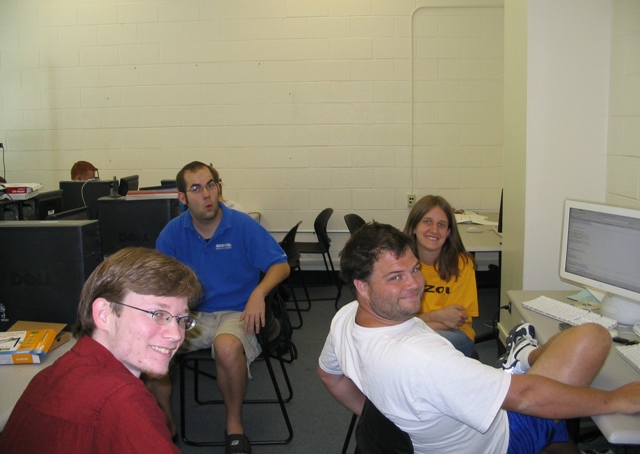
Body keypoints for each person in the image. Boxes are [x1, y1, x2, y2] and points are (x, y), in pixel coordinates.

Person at [318, 222, 640, 454]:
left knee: (570, 343)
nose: (414, 284)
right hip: (501, 439)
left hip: (452, 413)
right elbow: (527, 398)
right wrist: (615, 400)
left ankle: (521, 360)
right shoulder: (422, 360)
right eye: (395, 277)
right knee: (593, 336)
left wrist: (387, 420)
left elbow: (330, 376)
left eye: (414, 269)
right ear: (362, 286)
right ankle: (520, 362)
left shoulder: (347, 316)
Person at [147, 160, 290, 454]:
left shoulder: (241, 225)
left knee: (226, 347)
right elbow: (160, 282)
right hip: (191, 315)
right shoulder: (172, 233)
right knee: (152, 351)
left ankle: (234, 425)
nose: (206, 194)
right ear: (182, 197)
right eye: (196, 189)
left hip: (235, 311)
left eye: (210, 185)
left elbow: (281, 265)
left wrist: (259, 293)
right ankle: (166, 423)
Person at [0, 247, 201, 454]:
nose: (176, 334)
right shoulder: (122, 400)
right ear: (104, 314)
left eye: (182, 319)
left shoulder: (54, 373)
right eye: (158, 314)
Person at [403, 195, 478, 357]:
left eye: (442, 225)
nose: (435, 230)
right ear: (414, 227)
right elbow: (395, 317)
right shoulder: (401, 263)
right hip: (411, 331)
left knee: (408, 345)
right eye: (427, 222)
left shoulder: (462, 264)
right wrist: (435, 315)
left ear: (448, 232)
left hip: (456, 335)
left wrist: (408, 325)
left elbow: (453, 321)